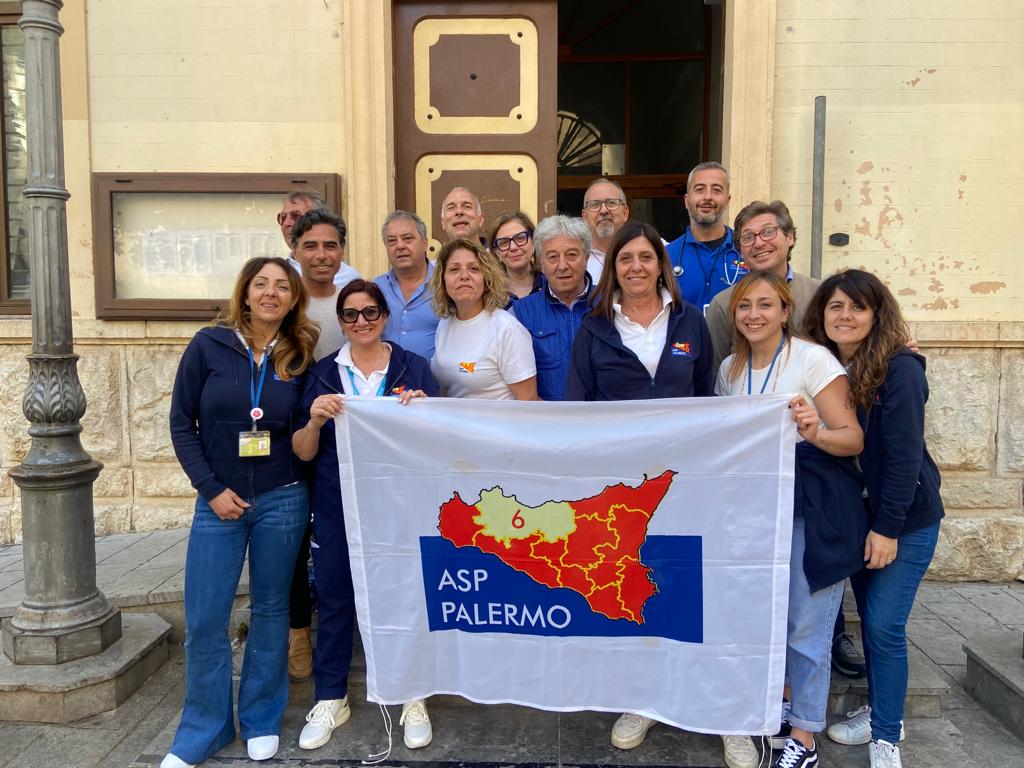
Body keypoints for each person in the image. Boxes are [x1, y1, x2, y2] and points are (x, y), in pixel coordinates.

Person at [164, 257, 319, 767]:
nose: (271, 293)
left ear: (293, 298)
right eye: (261, 284)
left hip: (283, 497)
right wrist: (210, 489)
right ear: (246, 292)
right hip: (219, 502)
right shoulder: (208, 345)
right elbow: (181, 423)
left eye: (282, 287)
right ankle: (204, 727)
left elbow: (302, 432)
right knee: (206, 616)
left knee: (272, 609)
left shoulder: (300, 353)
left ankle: (260, 717)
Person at [716, 270, 867, 768]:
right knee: (769, 617)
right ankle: (784, 706)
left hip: (812, 507)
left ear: (785, 311)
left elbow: (852, 437)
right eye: (744, 306)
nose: (754, 314)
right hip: (757, 508)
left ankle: (805, 737)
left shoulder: (813, 359)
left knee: (807, 624)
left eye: (765, 304)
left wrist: (815, 432)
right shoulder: (730, 368)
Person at [292, 279, 439, 752]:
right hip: (338, 503)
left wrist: (425, 414)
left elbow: (436, 444)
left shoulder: (412, 367)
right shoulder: (322, 375)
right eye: (351, 314)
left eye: (370, 312)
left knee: (406, 595)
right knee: (336, 596)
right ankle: (331, 697)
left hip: (399, 504)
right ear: (341, 321)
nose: (362, 321)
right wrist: (315, 419)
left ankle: (413, 695)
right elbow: (302, 450)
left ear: (384, 317)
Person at [805, 270, 944, 768]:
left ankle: (886, 737)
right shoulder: (823, 366)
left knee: (884, 625)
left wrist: (886, 530)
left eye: (857, 307)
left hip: (903, 520)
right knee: (871, 621)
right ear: (821, 315)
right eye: (835, 306)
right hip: (858, 519)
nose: (845, 316)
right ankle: (883, 710)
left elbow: (904, 458)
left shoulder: (899, 369)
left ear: (876, 314)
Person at [565, 220, 714, 401]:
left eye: (646, 257)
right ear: (614, 269)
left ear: (660, 266)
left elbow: (705, 397)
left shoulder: (691, 319)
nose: (636, 267)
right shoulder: (593, 327)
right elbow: (578, 401)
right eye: (625, 258)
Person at [429, 237, 538, 400]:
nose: (464, 276)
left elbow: (528, 401)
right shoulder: (444, 325)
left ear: (487, 280)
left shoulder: (507, 329)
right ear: (443, 281)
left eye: (473, 269)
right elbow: (446, 388)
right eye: (454, 269)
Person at [509, 215, 593, 401]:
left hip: (603, 417)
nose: (562, 266)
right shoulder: (519, 315)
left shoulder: (609, 304)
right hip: (545, 417)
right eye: (553, 257)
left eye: (572, 255)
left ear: (586, 258)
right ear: (541, 263)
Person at [665, 162, 747, 314]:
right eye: (699, 189)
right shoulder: (666, 256)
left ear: (727, 200)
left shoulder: (747, 250)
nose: (708, 197)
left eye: (716, 190)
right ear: (686, 200)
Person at [374, 210, 440, 361]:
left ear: (425, 243)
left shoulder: (444, 285)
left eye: (407, 238)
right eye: (392, 241)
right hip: (387, 375)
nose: (400, 246)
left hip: (433, 376)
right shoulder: (377, 289)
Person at [278, 191, 361, 288]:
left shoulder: (350, 279)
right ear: (295, 253)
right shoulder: (276, 273)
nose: (286, 223)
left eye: (296, 216)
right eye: (282, 217)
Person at [581, 177, 629, 284]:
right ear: (585, 216)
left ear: (625, 213)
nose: (603, 211)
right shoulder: (574, 258)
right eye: (595, 204)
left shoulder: (652, 248)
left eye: (611, 203)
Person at [488, 210, 543, 300]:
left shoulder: (551, 286)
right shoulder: (489, 294)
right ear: (496, 253)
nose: (513, 247)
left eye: (520, 238)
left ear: (533, 242)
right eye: (504, 242)